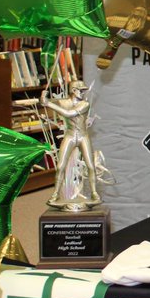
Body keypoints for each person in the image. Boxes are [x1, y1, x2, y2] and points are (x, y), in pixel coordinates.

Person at [43, 80, 100, 209]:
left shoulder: (85, 104)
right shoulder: (64, 102)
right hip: (70, 135)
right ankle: (55, 194)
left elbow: (68, 114)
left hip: (82, 136)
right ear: (73, 90)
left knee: (91, 166)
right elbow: (49, 101)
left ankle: (94, 193)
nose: (83, 93)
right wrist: (44, 99)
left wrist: (48, 104)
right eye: (81, 90)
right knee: (60, 166)